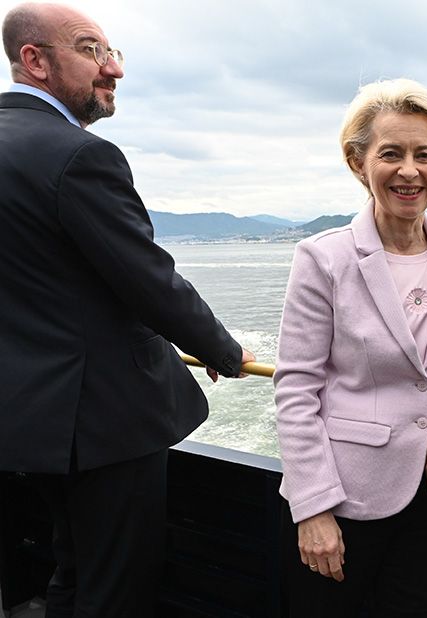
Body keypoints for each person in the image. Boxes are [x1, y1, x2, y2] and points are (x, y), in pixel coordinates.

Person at [0, 3, 255, 616]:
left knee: (70, 571)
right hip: (102, 421)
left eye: (113, 52)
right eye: (92, 50)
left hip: (24, 419)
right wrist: (224, 351)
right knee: (116, 588)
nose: (113, 69)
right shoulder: (79, 156)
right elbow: (149, 280)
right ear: (34, 60)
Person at [274, 78, 427, 617]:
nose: (409, 170)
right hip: (344, 498)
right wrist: (312, 508)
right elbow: (296, 390)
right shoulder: (324, 258)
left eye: (425, 155)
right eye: (391, 154)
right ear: (358, 162)